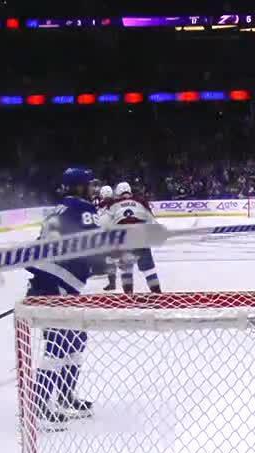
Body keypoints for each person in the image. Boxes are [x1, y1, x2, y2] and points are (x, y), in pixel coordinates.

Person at [27, 168, 105, 429]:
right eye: (89, 185)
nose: (92, 189)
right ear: (79, 187)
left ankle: (65, 395)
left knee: (76, 339)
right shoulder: (83, 208)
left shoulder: (56, 209)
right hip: (58, 282)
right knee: (59, 344)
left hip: (49, 280)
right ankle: (38, 404)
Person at [101, 181, 162, 293]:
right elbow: (152, 221)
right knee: (149, 269)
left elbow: (104, 224)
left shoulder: (113, 204)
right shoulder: (141, 201)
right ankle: (157, 293)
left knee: (126, 269)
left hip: (123, 239)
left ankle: (128, 295)